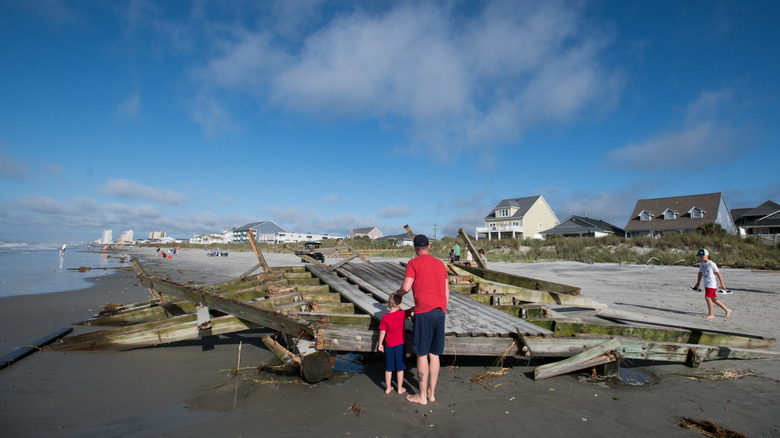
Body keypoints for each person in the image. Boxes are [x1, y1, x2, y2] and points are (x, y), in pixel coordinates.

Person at [393, 234, 449, 405]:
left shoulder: (413, 263)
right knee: (435, 354)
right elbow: (447, 291)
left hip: (424, 312)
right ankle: (432, 394)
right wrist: (443, 309)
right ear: (429, 247)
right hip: (440, 311)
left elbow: (406, 287)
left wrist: (398, 294)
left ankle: (422, 396)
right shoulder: (440, 264)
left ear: (414, 247)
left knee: (422, 354)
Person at [378, 293, 414, 395]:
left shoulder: (385, 318)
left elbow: (382, 332)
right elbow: (411, 310)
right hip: (400, 345)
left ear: (388, 303)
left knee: (389, 368)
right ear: (400, 305)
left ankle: (388, 388)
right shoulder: (402, 314)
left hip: (389, 346)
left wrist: (380, 344)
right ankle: (400, 388)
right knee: (400, 368)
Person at [691, 248, 732, 319]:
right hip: (706, 283)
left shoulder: (711, 264)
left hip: (712, 284)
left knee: (707, 297)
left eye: (702, 256)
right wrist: (698, 283)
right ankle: (727, 310)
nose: (701, 258)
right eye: (700, 257)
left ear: (707, 256)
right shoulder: (702, 264)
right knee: (713, 299)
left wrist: (722, 283)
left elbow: (718, 274)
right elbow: (700, 274)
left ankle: (711, 314)